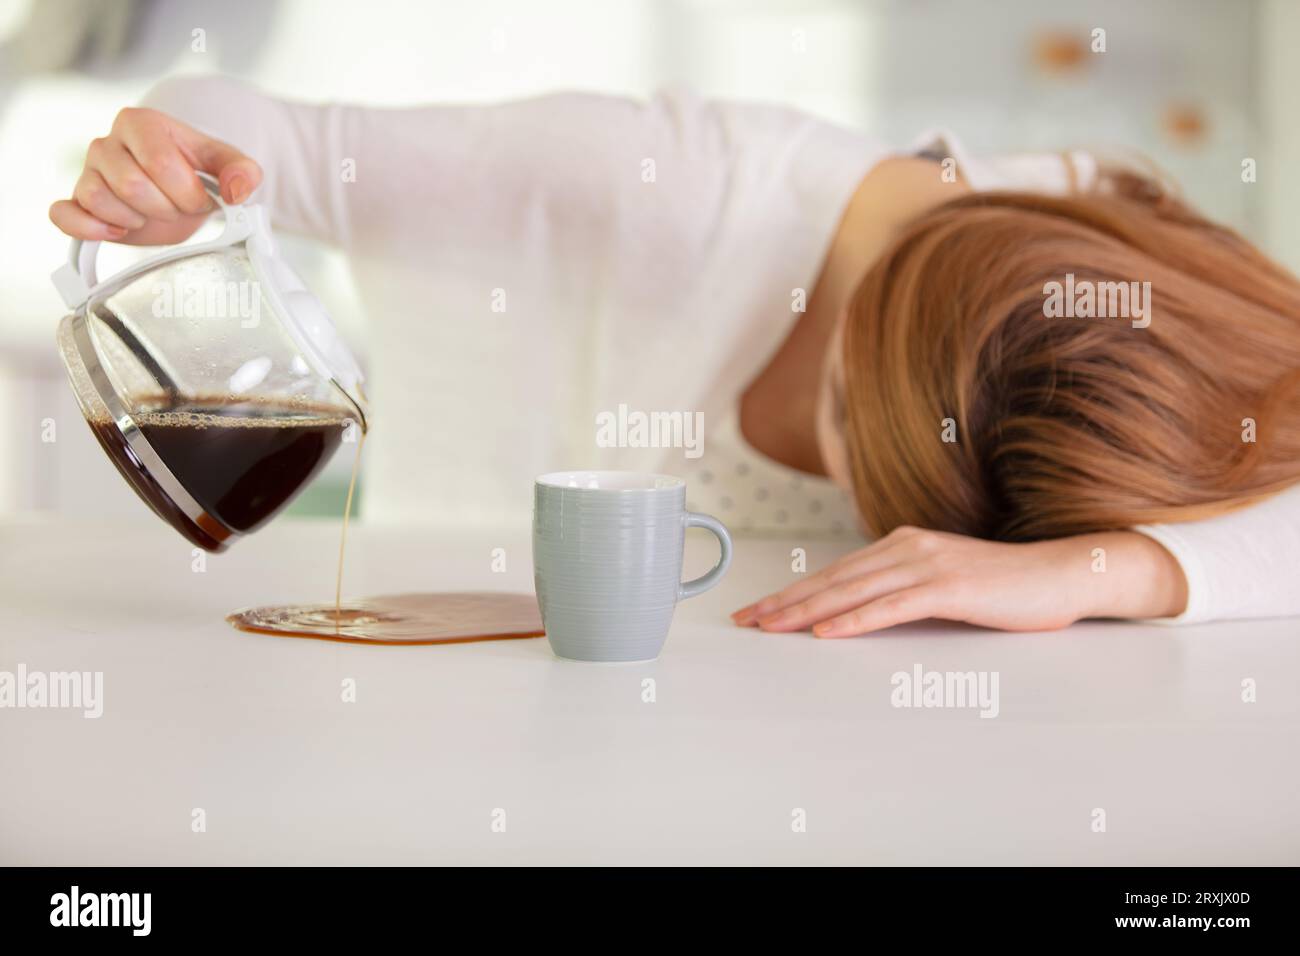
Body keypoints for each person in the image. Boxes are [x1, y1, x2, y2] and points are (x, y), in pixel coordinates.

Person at [49, 76, 1300, 636]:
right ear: (858, 313)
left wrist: (1107, 570)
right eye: (851, 446)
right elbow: (286, 143)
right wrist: (177, 167)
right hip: (434, 656)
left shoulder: (1129, 312)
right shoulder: (668, 186)